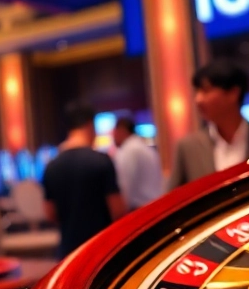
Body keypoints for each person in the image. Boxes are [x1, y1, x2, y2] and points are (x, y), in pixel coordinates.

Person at [167, 61, 249, 190]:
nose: (198, 99)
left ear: (233, 93)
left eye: (206, 90)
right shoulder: (188, 148)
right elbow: (171, 201)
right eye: (197, 92)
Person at [42, 102, 126, 257]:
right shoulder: (102, 161)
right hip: (101, 251)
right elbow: (118, 210)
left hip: (68, 254)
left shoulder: (51, 166)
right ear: (90, 125)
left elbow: (50, 214)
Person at [111, 115, 164, 210]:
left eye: (114, 133)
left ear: (121, 130)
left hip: (141, 210)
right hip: (156, 205)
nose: (113, 137)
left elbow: (124, 187)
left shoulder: (128, 150)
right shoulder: (145, 148)